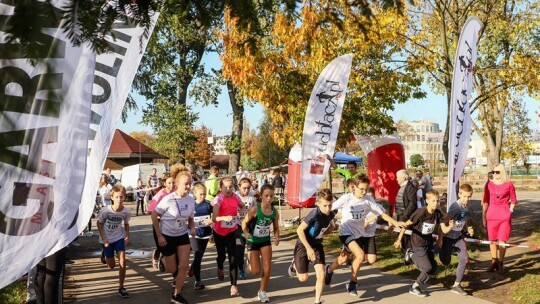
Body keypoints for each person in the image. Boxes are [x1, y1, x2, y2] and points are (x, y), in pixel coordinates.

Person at [325, 176, 404, 295]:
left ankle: (329, 269)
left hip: (359, 234)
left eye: (366, 189)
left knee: (344, 258)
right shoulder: (346, 198)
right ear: (354, 187)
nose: (364, 192)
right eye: (361, 189)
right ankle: (352, 282)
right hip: (346, 232)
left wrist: (395, 222)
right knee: (360, 255)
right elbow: (329, 207)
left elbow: (382, 213)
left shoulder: (368, 200)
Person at [394, 189, 453, 297]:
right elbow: (406, 225)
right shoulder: (420, 212)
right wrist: (399, 239)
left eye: (437, 201)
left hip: (428, 243)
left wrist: (450, 227)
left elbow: (444, 230)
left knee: (434, 268)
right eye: (433, 201)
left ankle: (417, 281)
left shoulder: (437, 213)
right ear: (427, 201)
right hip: (417, 243)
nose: (436, 203)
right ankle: (414, 286)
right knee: (427, 267)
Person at [151, 164, 196, 304]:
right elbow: (154, 215)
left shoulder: (190, 199)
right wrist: (159, 236)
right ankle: (161, 257)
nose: (188, 187)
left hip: (182, 235)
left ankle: (176, 295)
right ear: (177, 184)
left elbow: (190, 218)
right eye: (185, 184)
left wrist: (192, 228)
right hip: (167, 236)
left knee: (184, 266)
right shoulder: (168, 199)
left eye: (190, 184)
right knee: (172, 269)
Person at [288, 189, 336, 304]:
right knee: (303, 278)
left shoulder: (331, 214)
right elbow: (299, 230)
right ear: (318, 203)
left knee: (321, 274)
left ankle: (317, 301)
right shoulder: (314, 214)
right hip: (303, 244)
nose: (328, 209)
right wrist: (308, 248)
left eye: (330, 205)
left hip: (317, 245)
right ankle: (294, 264)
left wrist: (330, 229)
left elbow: (330, 225)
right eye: (325, 206)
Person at [242, 184, 280, 303]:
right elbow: (244, 223)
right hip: (253, 241)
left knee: (267, 267)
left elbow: (276, 227)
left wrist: (277, 237)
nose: (269, 198)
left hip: (265, 241)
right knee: (256, 271)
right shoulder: (255, 209)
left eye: (271, 196)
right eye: (266, 196)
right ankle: (248, 265)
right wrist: (246, 232)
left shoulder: (274, 212)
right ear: (261, 196)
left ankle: (262, 291)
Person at [96, 184, 131, 298]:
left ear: (124, 197)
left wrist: (127, 236)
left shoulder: (126, 211)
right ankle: (105, 254)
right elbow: (99, 223)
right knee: (111, 265)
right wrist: (104, 239)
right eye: (116, 197)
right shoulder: (105, 210)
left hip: (118, 237)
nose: (119, 199)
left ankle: (121, 287)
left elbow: (126, 224)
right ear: (112, 197)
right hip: (106, 239)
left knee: (123, 260)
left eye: (121, 197)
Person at [212, 177, 245, 296]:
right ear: (220, 188)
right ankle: (220, 266)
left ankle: (234, 285)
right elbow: (214, 218)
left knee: (233, 257)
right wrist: (224, 218)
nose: (228, 189)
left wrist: (239, 214)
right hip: (219, 232)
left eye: (230, 186)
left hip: (232, 230)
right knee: (221, 255)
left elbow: (243, 207)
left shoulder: (236, 197)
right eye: (225, 187)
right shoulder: (218, 199)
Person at [440, 183, 475, 296]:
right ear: (459, 194)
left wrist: (467, 229)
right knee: (446, 261)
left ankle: (456, 285)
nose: (466, 199)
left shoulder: (467, 206)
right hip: (448, 237)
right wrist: (440, 238)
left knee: (464, 258)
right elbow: (444, 221)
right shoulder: (455, 207)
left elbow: (461, 220)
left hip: (458, 237)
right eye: (464, 196)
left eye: (469, 196)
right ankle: (438, 250)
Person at [482, 164, 517, 273]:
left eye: (497, 172)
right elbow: (485, 200)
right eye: (493, 171)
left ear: (502, 172)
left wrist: (510, 211)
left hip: (504, 215)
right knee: (492, 240)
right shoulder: (488, 184)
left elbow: (514, 199)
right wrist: (483, 216)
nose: (495, 174)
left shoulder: (509, 184)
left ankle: (501, 263)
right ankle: (494, 262)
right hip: (491, 215)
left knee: (502, 240)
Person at [148, 174, 176, 270]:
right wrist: (162, 214)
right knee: (160, 245)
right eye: (169, 183)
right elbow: (150, 211)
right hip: (159, 222)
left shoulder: (176, 191)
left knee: (169, 245)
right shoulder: (160, 194)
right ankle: (156, 256)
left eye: (173, 182)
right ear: (165, 183)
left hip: (171, 223)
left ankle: (165, 261)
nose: (172, 185)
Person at [188, 183, 213, 290]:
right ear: (195, 194)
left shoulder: (208, 205)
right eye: (200, 194)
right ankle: (198, 281)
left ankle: (193, 267)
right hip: (194, 234)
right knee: (197, 254)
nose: (203, 196)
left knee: (199, 256)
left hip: (205, 234)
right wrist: (191, 225)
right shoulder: (191, 205)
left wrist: (211, 220)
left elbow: (216, 215)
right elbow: (186, 219)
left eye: (204, 194)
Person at [236, 177, 258, 279]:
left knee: (251, 247)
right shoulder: (234, 196)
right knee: (239, 249)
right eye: (244, 188)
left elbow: (256, 210)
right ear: (239, 187)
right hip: (238, 227)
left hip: (250, 226)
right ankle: (240, 268)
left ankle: (249, 261)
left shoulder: (252, 195)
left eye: (248, 188)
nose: (246, 190)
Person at [395, 169, 417, 262]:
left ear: (404, 177)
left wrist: (405, 215)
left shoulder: (410, 187)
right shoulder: (403, 186)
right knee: (401, 234)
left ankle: (408, 254)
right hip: (400, 215)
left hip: (406, 216)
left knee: (406, 235)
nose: (396, 179)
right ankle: (404, 252)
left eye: (398, 177)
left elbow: (412, 203)